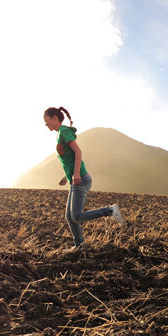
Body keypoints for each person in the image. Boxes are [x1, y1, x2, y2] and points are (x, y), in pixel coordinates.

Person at [44, 106, 124, 249]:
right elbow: (69, 159)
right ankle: (80, 247)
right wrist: (67, 176)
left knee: (76, 216)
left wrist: (75, 174)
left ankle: (110, 210)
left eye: (46, 121)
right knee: (69, 217)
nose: (45, 124)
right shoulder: (59, 134)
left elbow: (78, 152)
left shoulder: (63, 132)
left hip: (81, 179)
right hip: (76, 179)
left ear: (54, 118)